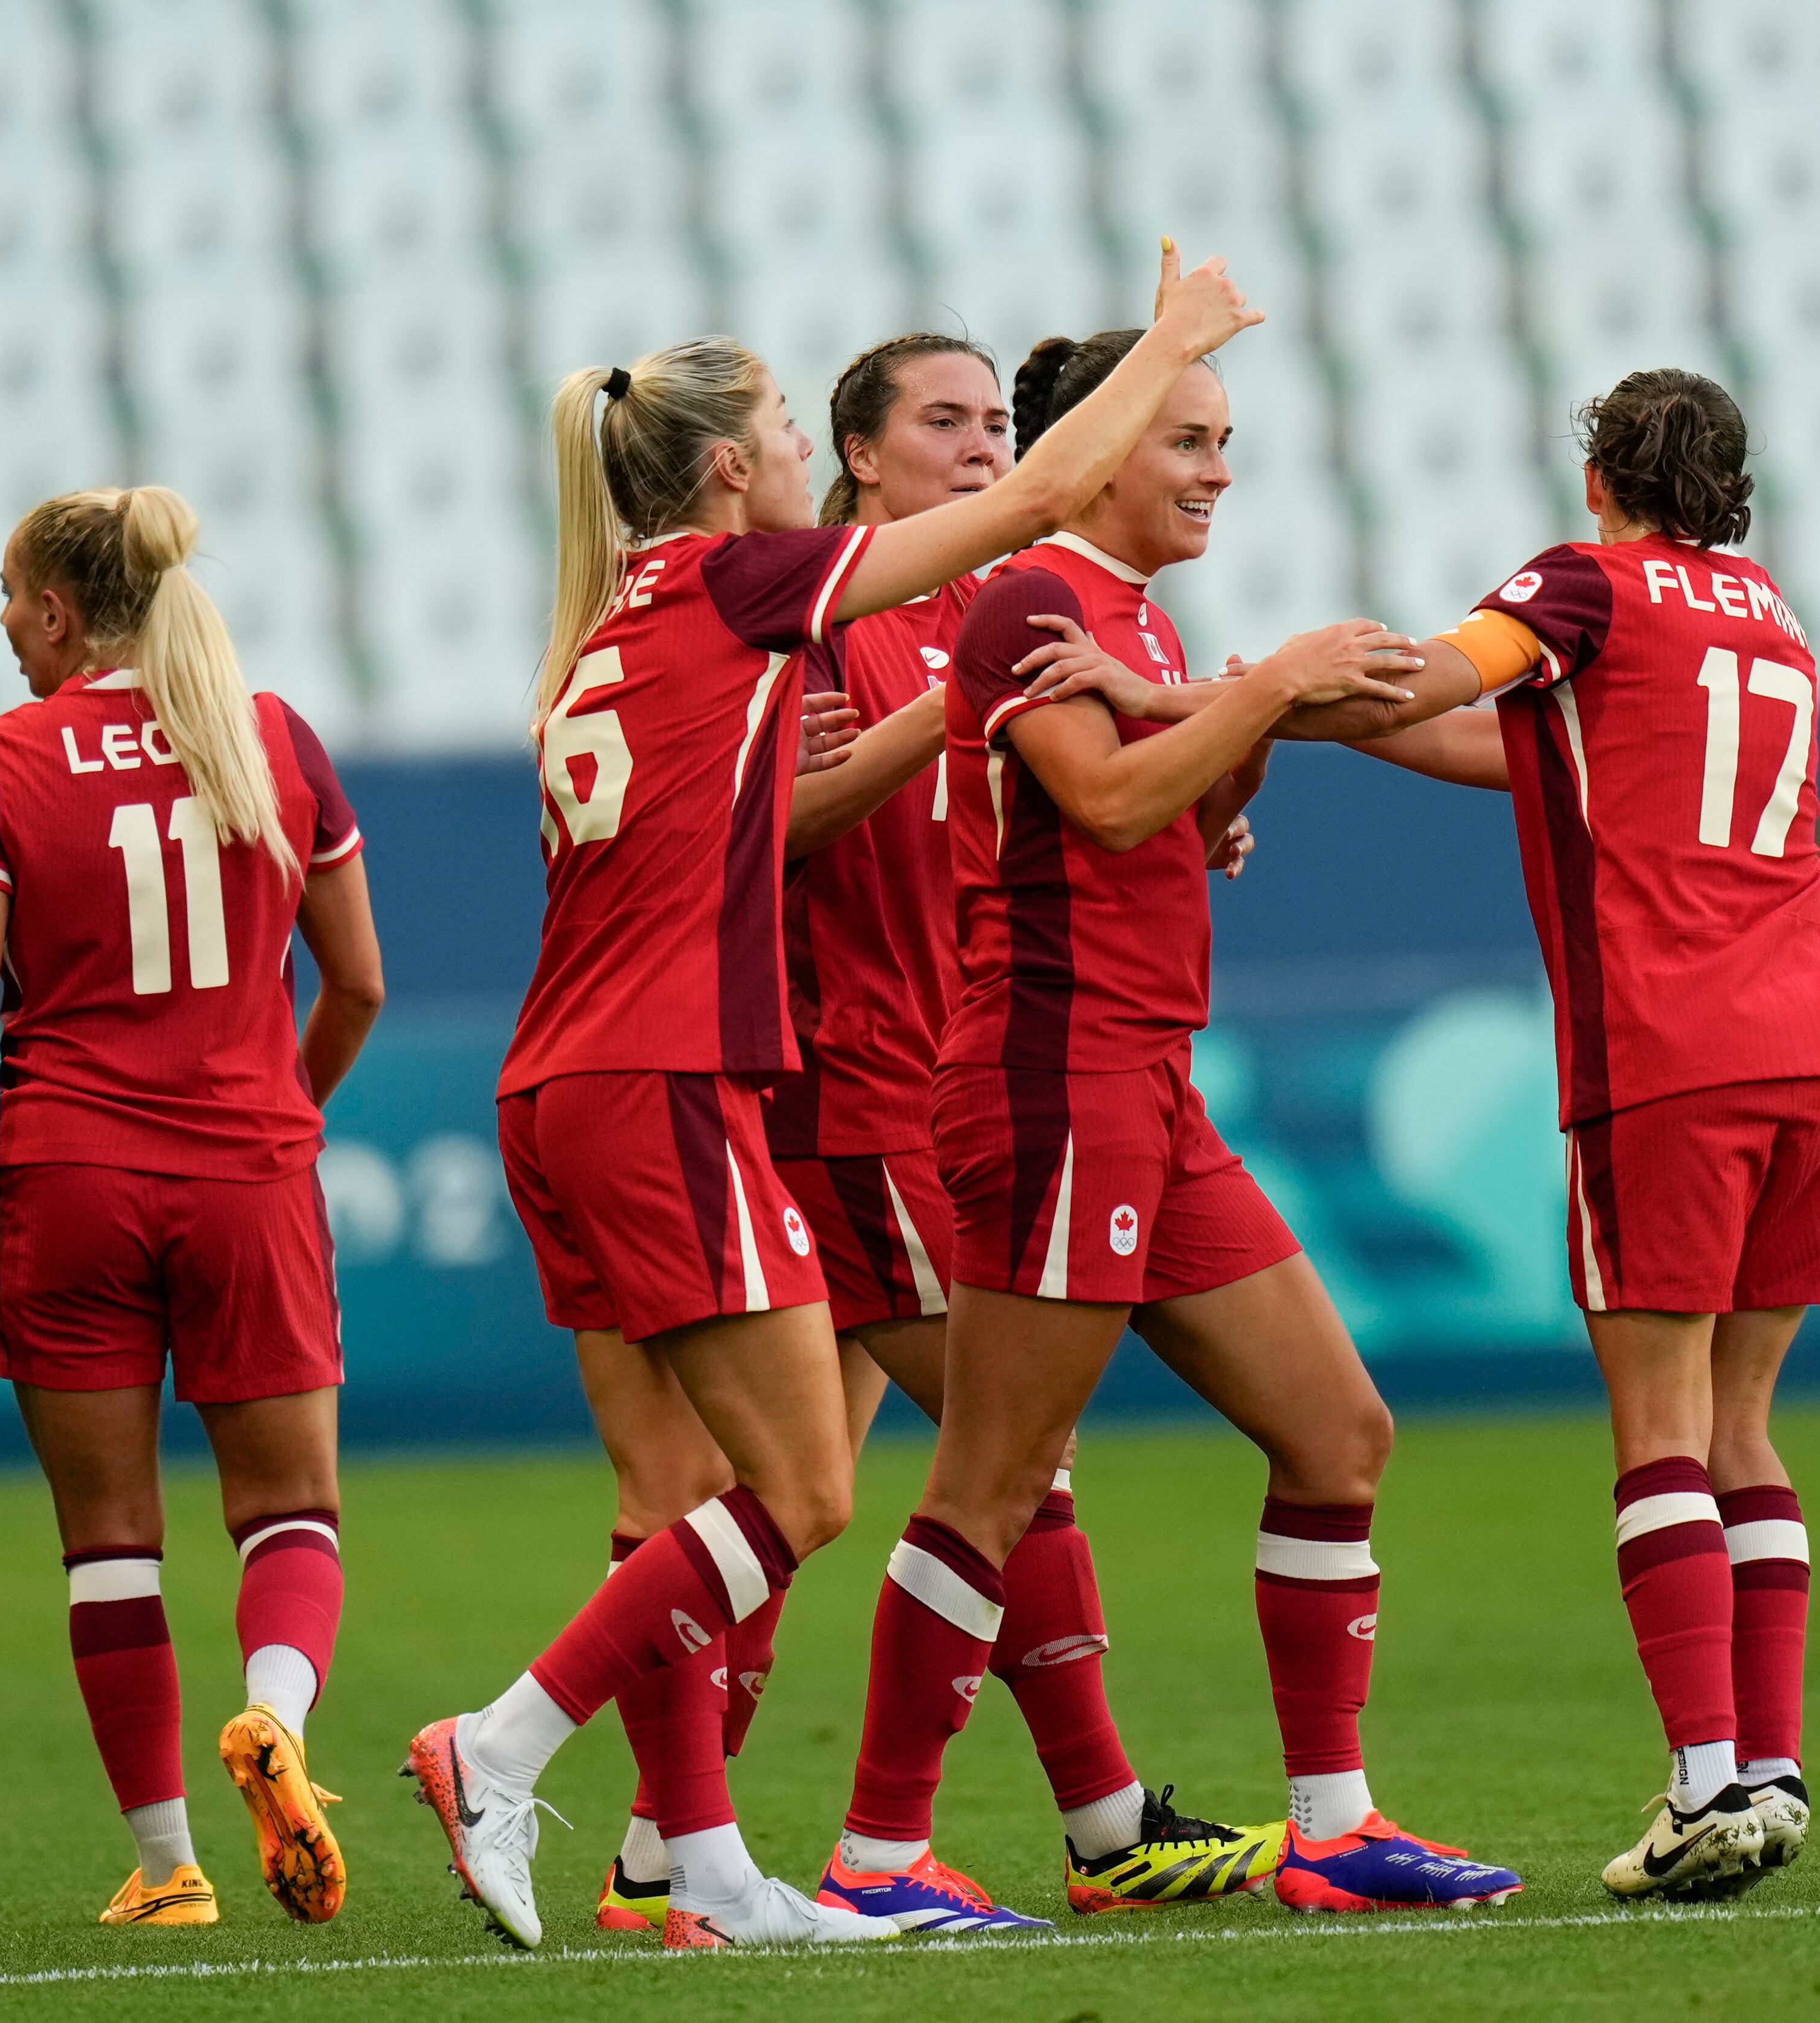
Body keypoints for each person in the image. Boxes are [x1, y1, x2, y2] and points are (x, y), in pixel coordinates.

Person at [407, 243, 1280, 1954]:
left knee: (702, 1498)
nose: (806, 454)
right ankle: (501, 1745)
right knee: (819, 1487)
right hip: (686, 1080)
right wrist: (1177, 335)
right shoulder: (752, 591)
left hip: (569, 1081)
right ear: (736, 467)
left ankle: (702, 1863)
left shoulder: (606, 630)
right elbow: (1039, 490)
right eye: (802, 432)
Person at [818, 327, 1527, 1927]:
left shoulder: (1130, 615)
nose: (1219, 469)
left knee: (1339, 1434)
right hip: (1053, 1076)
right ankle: (874, 1855)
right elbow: (1118, 805)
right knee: (994, 1480)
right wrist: (1261, 690)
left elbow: (1182, 823)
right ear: (1113, 446)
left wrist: (1239, 731)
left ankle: (1332, 1827)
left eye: (1224, 440)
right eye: (1191, 438)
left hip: (1148, 1083)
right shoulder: (1026, 597)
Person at [1316, 367, 1820, 1899]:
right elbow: (1527, 755)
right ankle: (1763, 1771)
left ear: (1599, 482)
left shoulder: (1584, 585)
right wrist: (1318, 733)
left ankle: (1700, 1778)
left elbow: (1436, 678)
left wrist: (1244, 694)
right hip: (1815, 1044)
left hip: (1669, 1049)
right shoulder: (1764, 614)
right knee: (1742, 1423)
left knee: (1657, 1428)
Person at [0, 486, 386, 1930]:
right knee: (290, 1513)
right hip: (246, 1170)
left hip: (69, 1173)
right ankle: (277, 1717)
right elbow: (359, 985)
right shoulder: (275, 739)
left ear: (63, 612)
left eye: (13, 599)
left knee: (110, 1541)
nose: (6, 627)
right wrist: (276, 1122)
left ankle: (169, 1867)